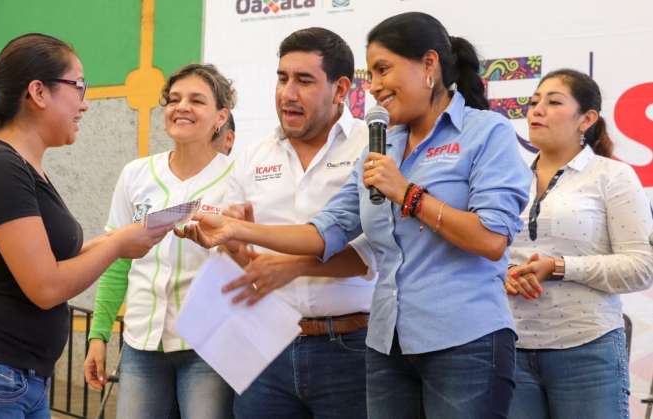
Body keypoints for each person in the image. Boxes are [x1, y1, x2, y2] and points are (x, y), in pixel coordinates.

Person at [178, 12, 532, 419]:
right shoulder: (382, 147)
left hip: (465, 341)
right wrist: (235, 228)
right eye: (372, 74)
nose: (376, 86)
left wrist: (407, 194)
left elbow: (490, 239)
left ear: (429, 65)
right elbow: (325, 231)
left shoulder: (487, 133)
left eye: (384, 70)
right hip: (387, 345)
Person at [0, 33, 169, 419]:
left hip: (16, 380)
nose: (85, 103)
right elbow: (46, 286)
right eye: (79, 85)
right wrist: (118, 247)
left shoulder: (19, 166)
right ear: (38, 92)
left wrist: (120, 237)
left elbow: (53, 258)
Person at [216, 27, 375, 419]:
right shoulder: (253, 155)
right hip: (266, 344)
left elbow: (378, 251)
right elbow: (252, 266)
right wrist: (231, 244)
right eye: (282, 77)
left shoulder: (371, 146)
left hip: (351, 347)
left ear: (341, 88)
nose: (287, 92)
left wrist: (294, 265)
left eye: (304, 80)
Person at [83, 64, 236, 419]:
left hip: (209, 348)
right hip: (141, 347)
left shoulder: (238, 176)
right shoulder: (136, 174)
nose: (182, 107)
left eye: (197, 100)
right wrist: (98, 335)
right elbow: (116, 258)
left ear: (220, 117)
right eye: (174, 99)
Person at [504, 69, 653, 419]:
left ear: (586, 119)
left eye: (554, 102)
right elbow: (484, 253)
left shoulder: (611, 175)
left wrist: (558, 267)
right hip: (511, 348)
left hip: (588, 350)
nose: (537, 110)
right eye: (534, 102)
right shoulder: (509, 178)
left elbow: (641, 268)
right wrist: (506, 273)